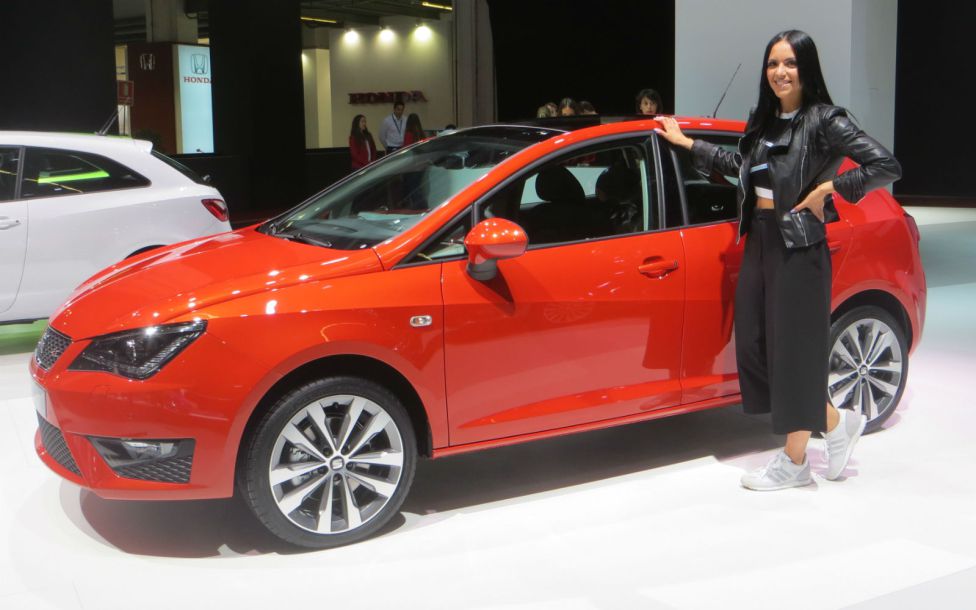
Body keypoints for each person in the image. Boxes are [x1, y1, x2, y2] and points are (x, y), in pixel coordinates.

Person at [655, 29, 901, 491]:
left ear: (805, 69)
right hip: (761, 240)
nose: (780, 72)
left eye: (789, 63)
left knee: (793, 353)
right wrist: (688, 144)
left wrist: (832, 189)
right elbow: (738, 167)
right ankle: (836, 420)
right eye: (772, 64)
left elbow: (886, 165)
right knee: (755, 345)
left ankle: (795, 461)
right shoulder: (763, 120)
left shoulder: (826, 120)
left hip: (800, 246)